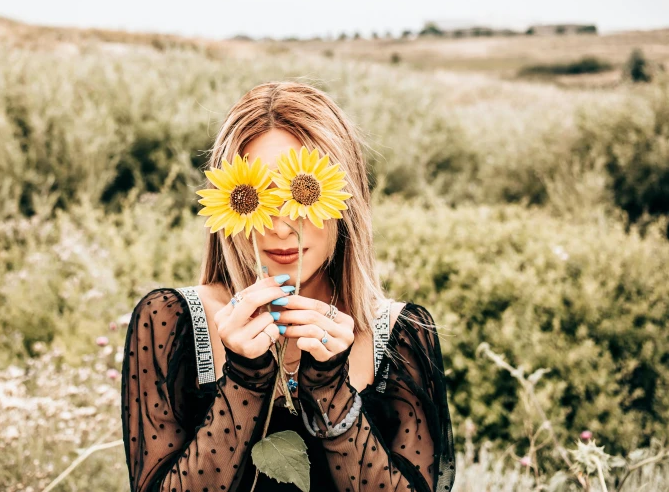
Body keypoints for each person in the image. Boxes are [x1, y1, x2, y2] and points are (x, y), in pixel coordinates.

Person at [121, 81, 456, 491]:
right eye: (259, 196)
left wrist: (331, 387)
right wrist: (245, 378)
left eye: (303, 195)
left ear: (342, 200)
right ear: (230, 202)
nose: (281, 227)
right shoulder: (171, 322)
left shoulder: (398, 333)